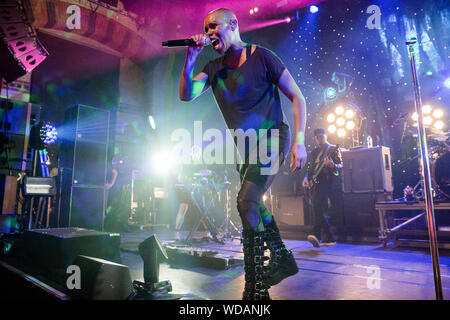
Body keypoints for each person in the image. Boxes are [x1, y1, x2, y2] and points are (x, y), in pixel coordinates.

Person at [179, 8, 307, 300]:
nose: (210, 33)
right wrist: (190, 57)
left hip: (273, 139)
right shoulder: (213, 68)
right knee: (253, 205)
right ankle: (282, 258)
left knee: (245, 200)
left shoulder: (263, 57)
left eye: (214, 27)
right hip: (245, 148)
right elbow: (186, 94)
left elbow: (297, 96)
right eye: (206, 29)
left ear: (233, 25)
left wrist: (299, 141)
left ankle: (255, 288)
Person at [302, 128, 343, 248]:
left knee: (317, 206)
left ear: (326, 136)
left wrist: (332, 165)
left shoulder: (332, 149)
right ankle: (325, 237)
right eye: (317, 136)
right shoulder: (314, 152)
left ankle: (318, 235)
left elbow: (340, 166)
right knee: (316, 208)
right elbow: (310, 168)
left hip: (328, 182)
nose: (319, 138)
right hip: (316, 183)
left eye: (321, 136)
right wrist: (306, 178)